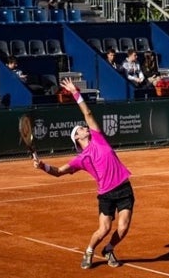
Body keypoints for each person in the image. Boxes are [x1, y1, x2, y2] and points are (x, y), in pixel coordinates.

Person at [33, 77, 135, 269]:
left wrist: (75, 92)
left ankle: (109, 249)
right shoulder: (80, 159)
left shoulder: (98, 138)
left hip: (124, 187)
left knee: (123, 227)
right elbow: (59, 172)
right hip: (106, 194)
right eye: (80, 129)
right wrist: (43, 166)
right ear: (77, 138)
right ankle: (89, 250)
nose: (84, 127)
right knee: (103, 229)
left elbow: (87, 113)